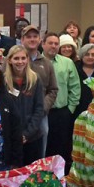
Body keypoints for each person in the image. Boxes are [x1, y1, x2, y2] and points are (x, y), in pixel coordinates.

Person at [42, 32, 81, 172]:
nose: (53, 46)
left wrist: (70, 109)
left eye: (56, 43)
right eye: (50, 43)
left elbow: (75, 87)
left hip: (61, 113)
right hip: (41, 114)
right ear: (43, 44)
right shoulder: (34, 62)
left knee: (61, 150)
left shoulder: (67, 63)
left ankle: (61, 180)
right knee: (44, 149)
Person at [21, 25, 58, 156]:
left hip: (40, 114)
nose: (32, 39)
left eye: (35, 37)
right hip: (19, 113)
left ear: (39, 40)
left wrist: (42, 107)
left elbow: (53, 89)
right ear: (22, 40)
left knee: (40, 147)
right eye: (28, 37)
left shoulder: (47, 63)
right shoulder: (16, 60)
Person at [5, 45, 45, 165]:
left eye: (23, 58)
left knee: (32, 177)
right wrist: (15, 135)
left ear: (27, 60)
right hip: (11, 138)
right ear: (9, 60)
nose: (20, 61)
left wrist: (27, 134)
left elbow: (39, 109)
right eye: (16, 58)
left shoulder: (35, 79)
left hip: (32, 137)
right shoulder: (3, 81)